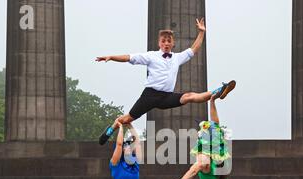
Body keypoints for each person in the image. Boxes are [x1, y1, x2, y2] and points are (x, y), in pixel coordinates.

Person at [97, 18, 236, 145]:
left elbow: (194, 49)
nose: (166, 43)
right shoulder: (151, 56)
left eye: (169, 41)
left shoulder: (177, 57)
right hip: (150, 95)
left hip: (166, 97)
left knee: (189, 97)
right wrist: (111, 56)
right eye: (163, 41)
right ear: (159, 43)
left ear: (173, 43)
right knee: (127, 119)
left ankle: (219, 91)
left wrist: (201, 32)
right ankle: (111, 128)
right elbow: (129, 57)